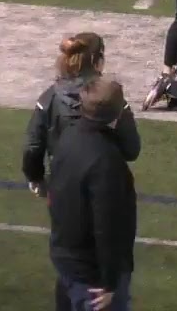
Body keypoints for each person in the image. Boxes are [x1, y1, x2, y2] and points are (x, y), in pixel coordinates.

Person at [48, 78, 137, 311]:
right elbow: (107, 227)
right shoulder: (106, 161)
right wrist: (109, 282)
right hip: (93, 278)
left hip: (66, 258)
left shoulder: (68, 136)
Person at [23, 34, 141, 198]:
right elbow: (131, 150)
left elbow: (32, 147)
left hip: (62, 183)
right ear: (98, 62)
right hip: (106, 184)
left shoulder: (48, 98)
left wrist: (35, 178)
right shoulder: (112, 99)